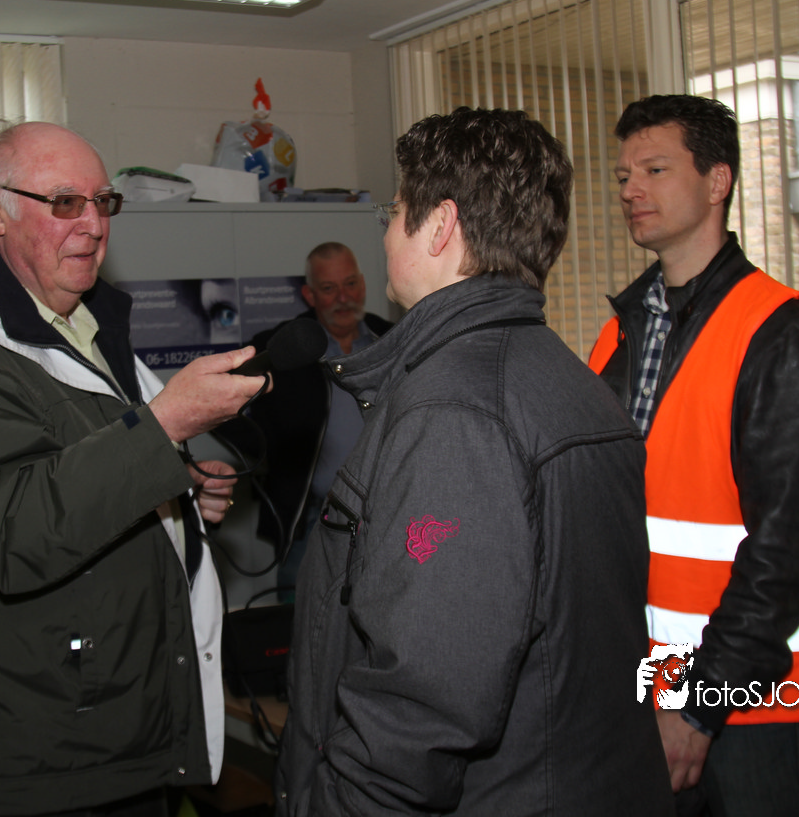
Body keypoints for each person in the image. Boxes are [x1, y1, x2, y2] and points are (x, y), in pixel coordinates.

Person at [274, 106, 672, 816]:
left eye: (396, 213)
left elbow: (419, 709)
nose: (387, 233)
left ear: (440, 225)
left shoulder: (455, 411)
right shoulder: (565, 377)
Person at [0, 121, 268, 817]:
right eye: (64, 203)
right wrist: (165, 428)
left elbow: (87, 467)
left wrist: (178, 487)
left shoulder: (84, 322)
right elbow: (12, 531)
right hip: (46, 749)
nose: (92, 224)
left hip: (122, 724)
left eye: (102, 202)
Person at [589, 94, 799, 817]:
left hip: (754, 706)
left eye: (654, 170)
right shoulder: (620, 335)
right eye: (623, 176)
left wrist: (702, 705)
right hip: (650, 696)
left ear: (717, 181)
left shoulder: (782, 334)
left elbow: (786, 550)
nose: (631, 190)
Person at [225, 243, 390, 594]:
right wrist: (266, 455)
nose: (343, 297)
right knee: (297, 617)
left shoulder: (391, 338)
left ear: (363, 284)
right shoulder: (283, 347)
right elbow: (220, 399)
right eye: (329, 288)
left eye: (350, 284)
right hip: (310, 518)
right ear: (310, 295)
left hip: (385, 514)